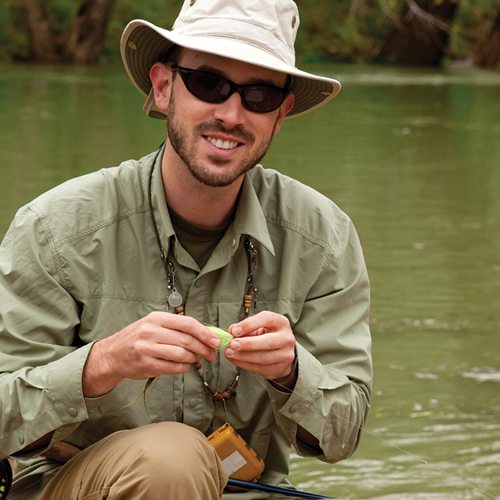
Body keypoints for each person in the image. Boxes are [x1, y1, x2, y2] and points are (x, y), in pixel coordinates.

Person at [0, 0, 372, 498]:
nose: (231, 113)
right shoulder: (55, 228)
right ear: (163, 86)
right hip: (72, 487)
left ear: (281, 114)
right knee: (171, 462)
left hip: (251, 489)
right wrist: (100, 365)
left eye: (259, 94)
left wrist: (291, 371)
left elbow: (343, 437)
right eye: (208, 83)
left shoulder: (324, 237)